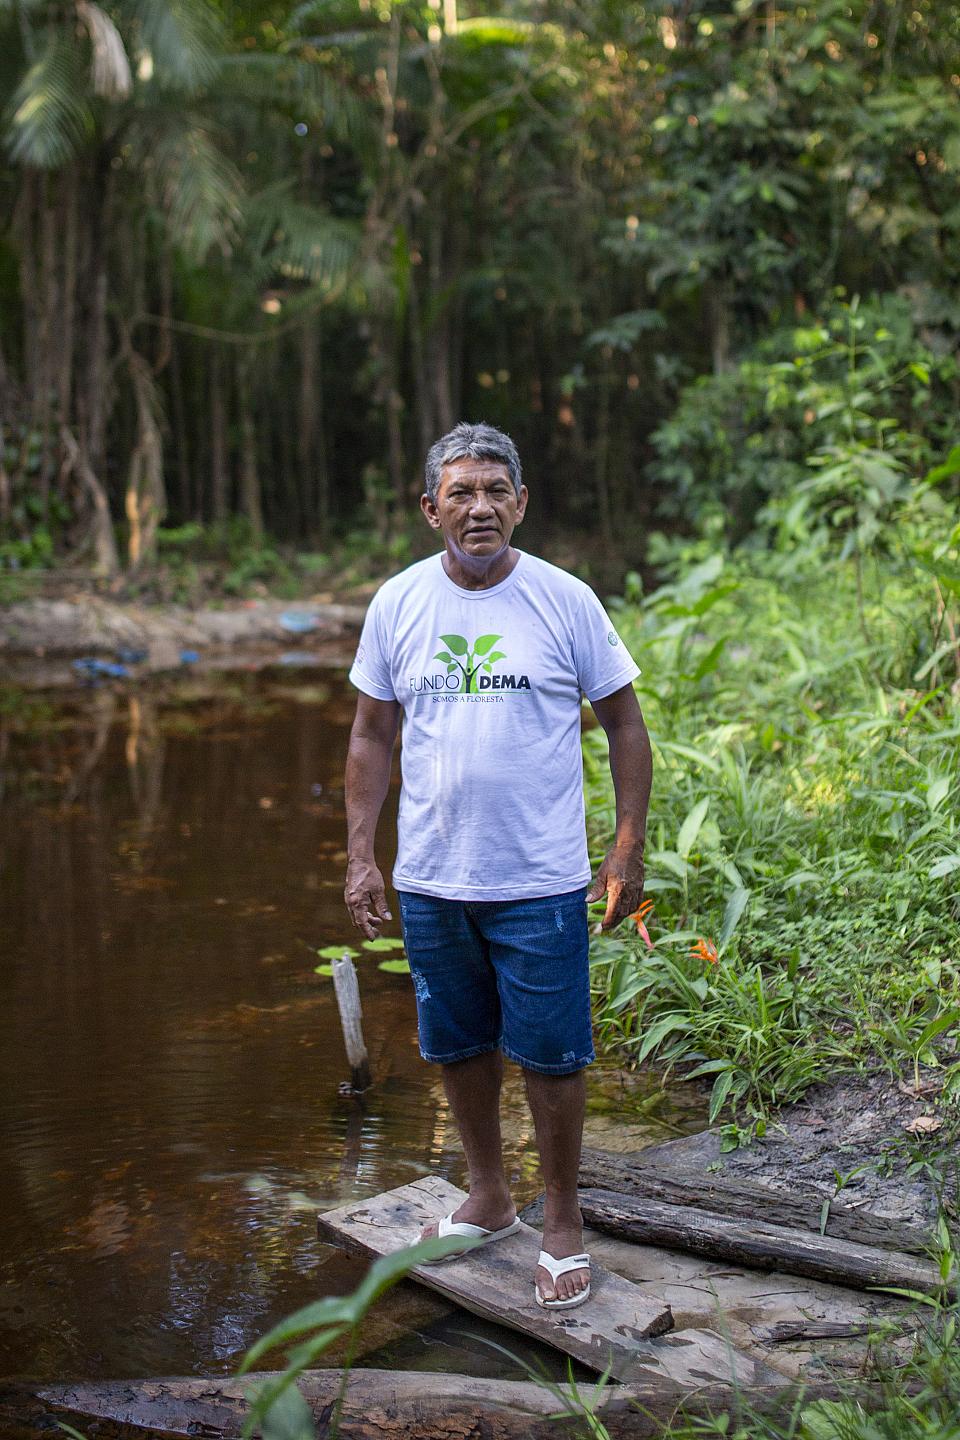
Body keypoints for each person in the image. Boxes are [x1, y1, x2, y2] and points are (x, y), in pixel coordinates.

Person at [344, 421, 650, 1311]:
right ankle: (487, 1194)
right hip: (433, 877)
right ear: (430, 504)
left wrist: (624, 848)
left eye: (496, 491)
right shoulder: (399, 603)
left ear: (522, 502)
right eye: (462, 491)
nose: (479, 507)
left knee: (554, 1056)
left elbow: (627, 725)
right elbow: (370, 734)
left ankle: (561, 1222)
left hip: (541, 879)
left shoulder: (565, 600)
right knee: (458, 1042)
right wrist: (362, 858)